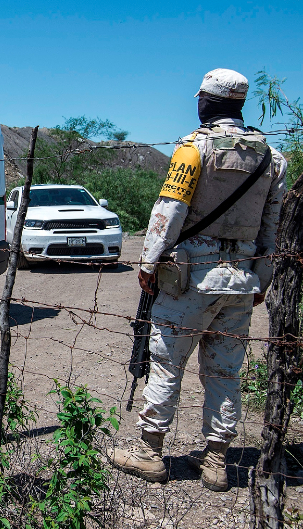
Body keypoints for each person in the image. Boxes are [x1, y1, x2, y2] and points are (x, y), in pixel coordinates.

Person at [110, 69, 288, 491]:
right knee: (225, 372)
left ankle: (150, 453)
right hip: (241, 281)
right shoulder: (271, 157)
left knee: (168, 363)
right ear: (239, 105)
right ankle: (216, 462)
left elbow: (169, 210)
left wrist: (148, 264)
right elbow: (272, 227)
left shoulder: (194, 148)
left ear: (206, 102)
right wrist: (261, 279)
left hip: (191, 278)